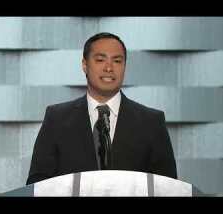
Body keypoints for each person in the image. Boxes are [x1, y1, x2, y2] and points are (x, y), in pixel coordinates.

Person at [26, 32, 177, 185]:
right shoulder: (56, 119)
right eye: (100, 60)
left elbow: (169, 187)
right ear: (85, 65)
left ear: (125, 66)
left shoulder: (151, 122)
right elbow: (37, 184)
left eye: (117, 61)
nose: (109, 68)